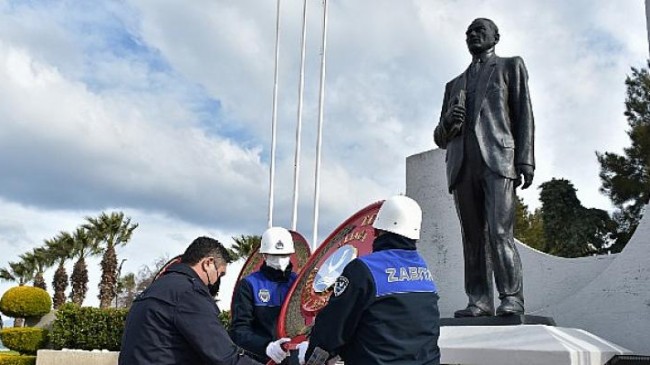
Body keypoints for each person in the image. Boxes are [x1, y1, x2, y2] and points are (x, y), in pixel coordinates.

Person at [433, 18, 535, 317]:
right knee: (472, 237)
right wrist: (450, 121)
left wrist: (525, 160)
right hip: (463, 166)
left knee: (500, 232)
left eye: (480, 31)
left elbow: (523, 114)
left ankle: (511, 298)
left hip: (498, 161)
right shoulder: (453, 85)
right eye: (469, 32)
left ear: (495, 37)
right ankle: (478, 301)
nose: (474, 35)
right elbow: (440, 137)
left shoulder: (509, 67)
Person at [298, 195, 440, 365]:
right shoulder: (423, 270)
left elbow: (333, 326)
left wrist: (312, 355)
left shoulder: (363, 269)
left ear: (377, 230)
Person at [119, 236, 262, 365]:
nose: (217, 281)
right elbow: (224, 356)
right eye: (220, 274)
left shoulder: (154, 289)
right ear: (208, 263)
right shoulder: (190, 294)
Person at [230, 227, 298, 364]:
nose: (279, 261)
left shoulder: (298, 283)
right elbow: (239, 331)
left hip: (293, 359)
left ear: (291, 254)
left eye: (284, 255)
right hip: (259, 359)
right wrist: (266, 346)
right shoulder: (249, 284)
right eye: (274, 255)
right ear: (264, 255)